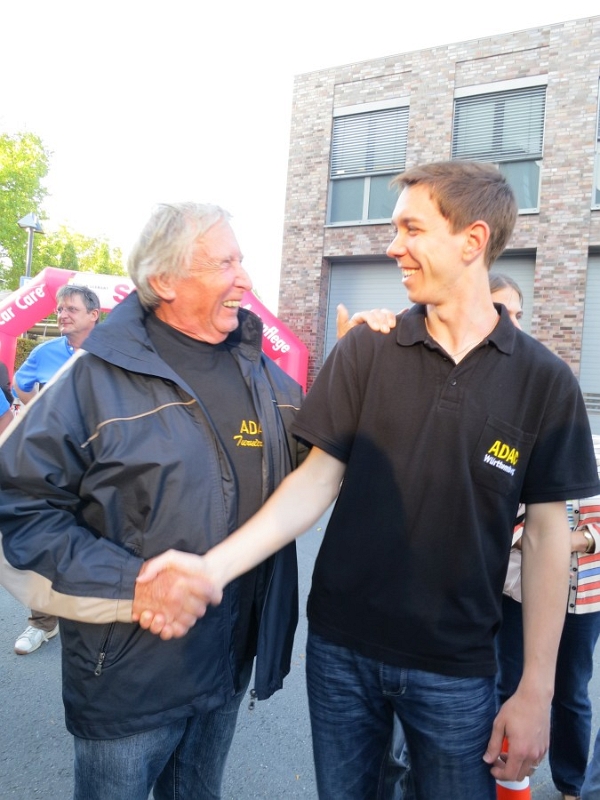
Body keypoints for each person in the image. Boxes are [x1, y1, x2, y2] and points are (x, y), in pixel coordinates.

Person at [137, 161, 600, 800]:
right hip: (341, 657)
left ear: (472, 240)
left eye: (412, 228)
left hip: (459, 669)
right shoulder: (365, 350)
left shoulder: (544, 382)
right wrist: (210, 569)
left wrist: (536, 691)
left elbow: (549, 539)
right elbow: (314, 483)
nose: (393, 246)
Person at [0, 202, 304, 800]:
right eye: (225, 263)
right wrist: (132, 584)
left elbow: (330, 456)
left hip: (228, 661)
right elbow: (19, 506)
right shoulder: (90, 379)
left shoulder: (266, 377)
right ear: (164, 280)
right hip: (129, 674)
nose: (245, 278)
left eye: (242, 261)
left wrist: (374, 352)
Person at [492, 276, 600, 800]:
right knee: (511, 681)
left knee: (572, 693)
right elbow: (501, 513)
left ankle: (571, 785)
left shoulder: (588, 444)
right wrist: (552, 538)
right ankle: (508, 778)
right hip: (521, 589)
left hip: (585, 597)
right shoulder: (514, 431)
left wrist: (572, 541)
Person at [11, 284, 101, 655]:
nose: (62, 315)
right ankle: (42, 623)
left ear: (94, 314)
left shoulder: (114, 351)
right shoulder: (45, 352)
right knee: (46, 541)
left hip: (103, 467)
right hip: (54, 466)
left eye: (70, 309)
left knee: (99, 539)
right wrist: (38, 411)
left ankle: (95, 623)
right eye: (59, 309)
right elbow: (20, 385)